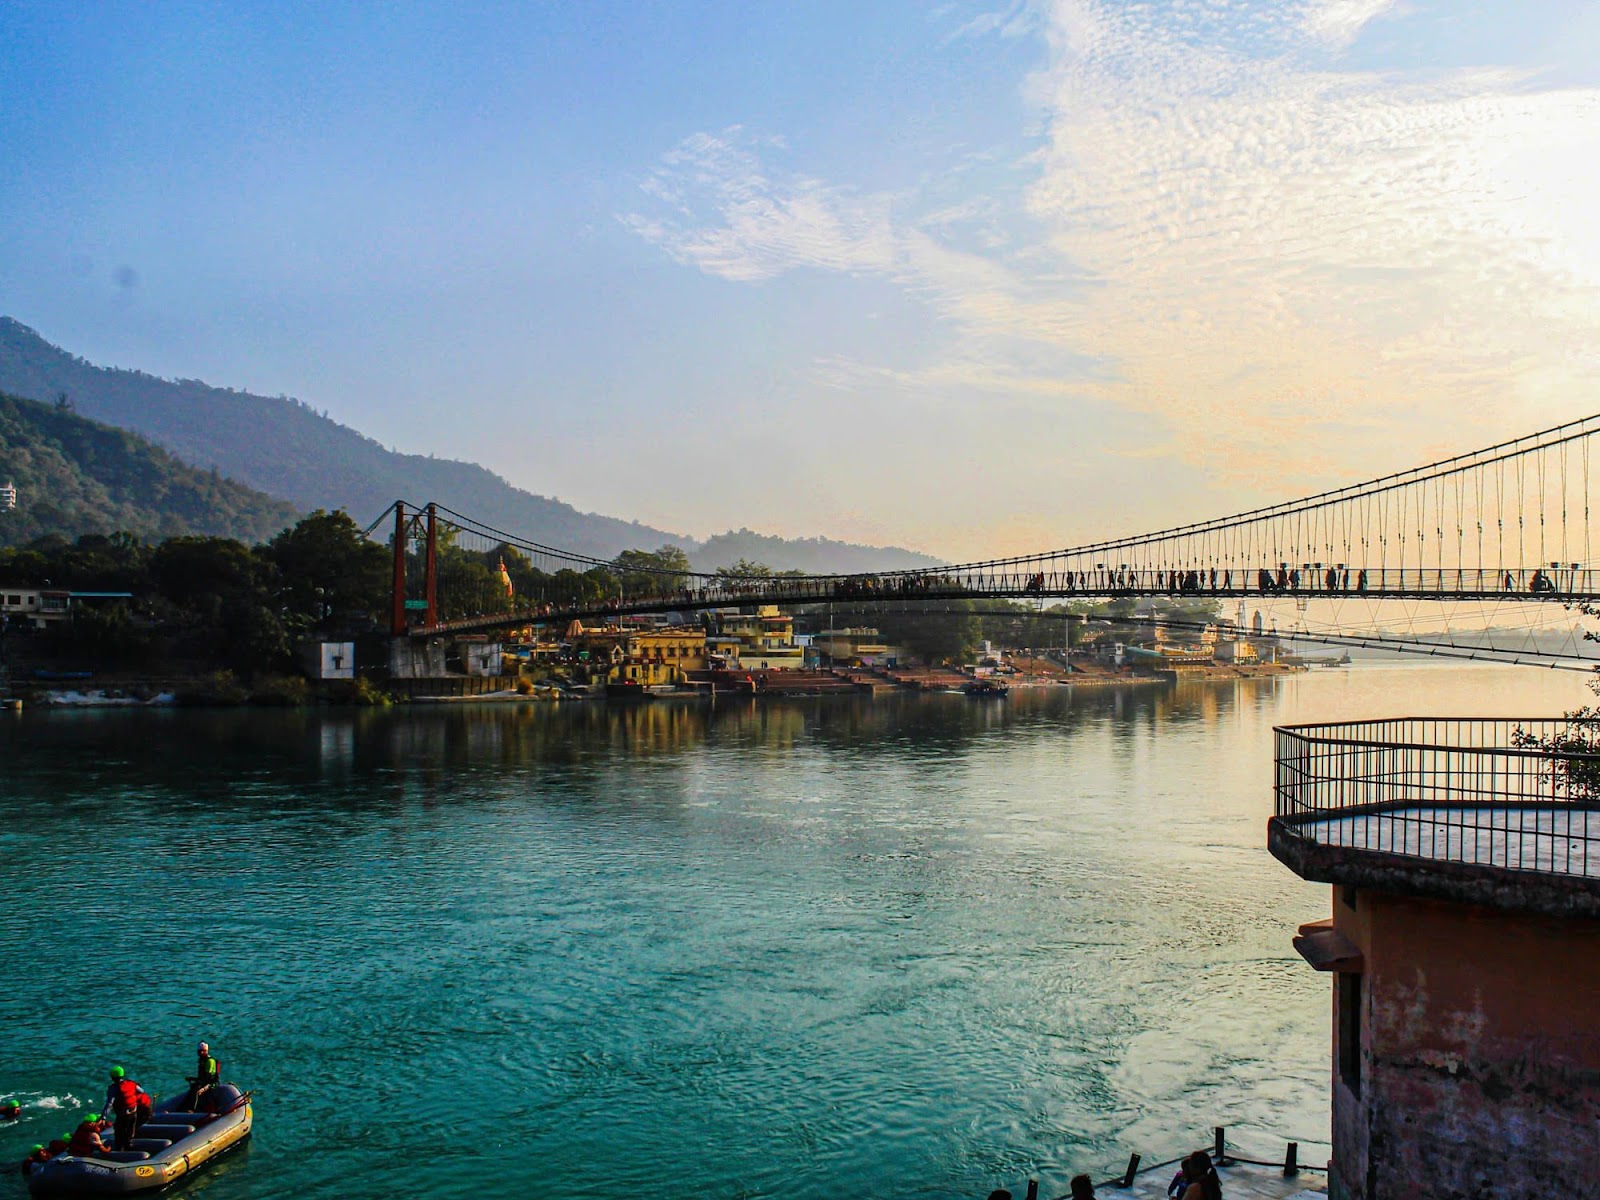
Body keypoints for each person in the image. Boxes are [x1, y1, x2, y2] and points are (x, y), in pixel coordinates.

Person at [103, 1066, 151, 1151]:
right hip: (133, 1112)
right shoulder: (131, 1083)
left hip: (122, 1115)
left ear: (112, 1077)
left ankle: (119, 1150)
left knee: (119, 1133)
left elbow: (110, 1103)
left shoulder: (113, 1088)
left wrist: (103, 1117)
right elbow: (141, 1091)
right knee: (129, 1132)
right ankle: (129, 1146)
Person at [186, 1041, 221, 1110]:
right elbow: (202, 1077)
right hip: (204, 1082)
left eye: (203, 1051)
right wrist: (193, 1079)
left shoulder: (209, 1061)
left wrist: (203, 1088)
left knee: (197, 1091)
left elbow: (209, 1078)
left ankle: (193, 1110)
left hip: (211, 1084)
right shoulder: (202, 1060)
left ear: (207, 1051)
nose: (201, 1052)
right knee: (192, 1088)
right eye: (200, 1051)